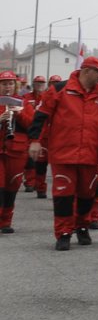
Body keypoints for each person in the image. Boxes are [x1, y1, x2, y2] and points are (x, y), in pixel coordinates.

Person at [29, 57, 98, 250]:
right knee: (63, 194)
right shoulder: (59, 89)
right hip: (64, 153)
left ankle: (82, 226)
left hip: (90, 154)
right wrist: (35, 141)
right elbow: (41, 116)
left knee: (87, 194)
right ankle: (63, 233)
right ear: (87, 70)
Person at [0, 70, 35, 233]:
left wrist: (19, 114)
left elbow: (32, 125)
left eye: (10, 83)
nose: (7, 87)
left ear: (15, 85)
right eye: (4, 84)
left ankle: (6, 221)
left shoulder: (23, 103)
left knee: (12, 185)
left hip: (17, 150)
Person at [21, 74, 49, 198]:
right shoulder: (26, 97)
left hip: (47, 134)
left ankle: (40, 186)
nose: (39, 85)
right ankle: (31, 183)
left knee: (44, 163)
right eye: (37, 83)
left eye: (42, 83)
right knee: (31, 160)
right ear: (33, 84)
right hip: (31, 131)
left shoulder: (49, 97)